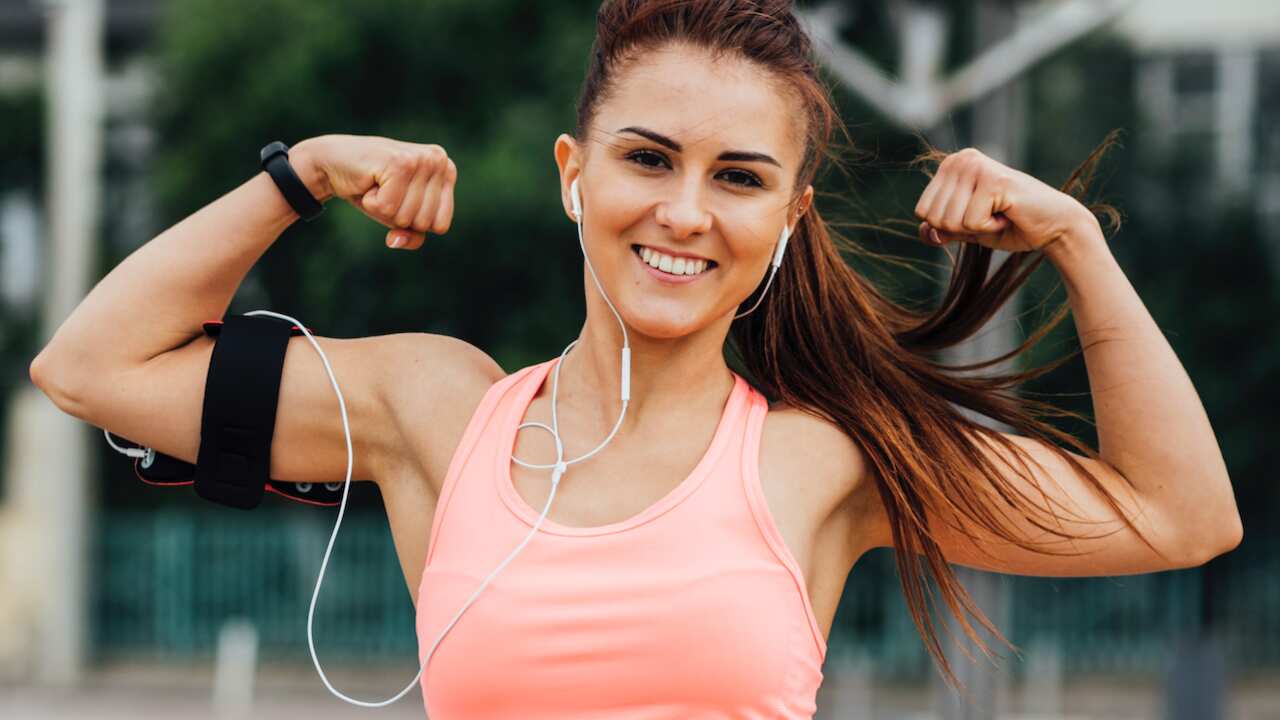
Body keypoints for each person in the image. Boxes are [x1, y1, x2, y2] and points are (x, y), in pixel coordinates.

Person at [29, 0, 1242, 717]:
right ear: (573, 174)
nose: (684, 212)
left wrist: (1078, 243)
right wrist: (300, 175)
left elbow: (1179, 516)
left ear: (788, 218)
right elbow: (90, 367)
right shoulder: (438, 412)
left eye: (738, 178)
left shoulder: (822, 460)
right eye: (647, 159)